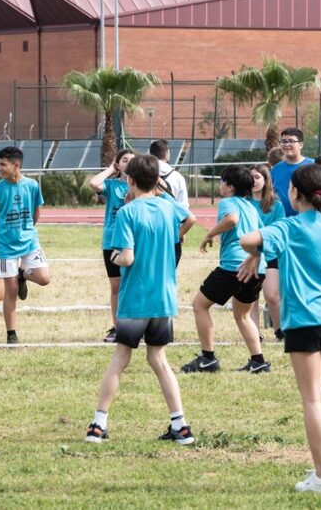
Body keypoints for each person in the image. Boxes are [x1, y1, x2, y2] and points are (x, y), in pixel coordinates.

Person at [239, 163, 321, 494]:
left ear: (294, 193)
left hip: (303, 321)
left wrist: (255, 254)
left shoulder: (289, 227)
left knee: (313, 398)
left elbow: (246, 239)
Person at [85, 154, 198, 445]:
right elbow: (191, 218)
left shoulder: (128, 212)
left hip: (136, 297)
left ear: (130, 180)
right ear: (157, 180)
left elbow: (127, 256)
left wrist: (115, 256)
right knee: (159, 360)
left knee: (120, 359)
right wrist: (176, 236)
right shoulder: (168, 206)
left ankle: (98, 424)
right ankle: (181, 425)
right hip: (163, 299)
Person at [183, 165, 269, 373]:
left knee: (200, 305)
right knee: (242, 315)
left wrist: (209, 234)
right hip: (257, 267)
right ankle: (258, 362)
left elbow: (231, 219)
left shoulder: (228, 202)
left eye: (222, 181)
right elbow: (261, 233)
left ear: (230, 186)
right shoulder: (250, 206)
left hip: (234, 266)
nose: (220, 185)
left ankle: (208, 358)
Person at [0, 147, 52, 344]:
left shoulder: (32, 185)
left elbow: (36, 213)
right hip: (6, 247)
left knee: (44, 278)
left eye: (3, 164)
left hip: (29, 242)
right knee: (11, 291)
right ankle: (11, 334)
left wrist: (26, 231)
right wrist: (6, 234)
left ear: (17, 165)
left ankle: (22, 274)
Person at [89, 149, 136, 343]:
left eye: (132, 160)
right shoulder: (112, 185)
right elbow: (93, 183)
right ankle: (117, 327)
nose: (128, 163)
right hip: (112, 241)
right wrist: (111, 168)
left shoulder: (142, 187)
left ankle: (134, 325)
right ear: (118, 165)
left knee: (132, 285)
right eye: (124, 160)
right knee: (116, 287)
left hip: (135, 241)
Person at [247, 163, 286, 338]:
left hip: (270, 255)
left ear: (265, 180)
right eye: (251, 177)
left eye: (257, 177)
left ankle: (279, 330)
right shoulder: (244, 202)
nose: (254, 181)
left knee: (272, 296)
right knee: (251, 299)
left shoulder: (276, 204)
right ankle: (255, 334)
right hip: (249, 255)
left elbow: (280, 231)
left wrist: (263, 241)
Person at [270, 128, 314, 218]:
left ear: (301, 145)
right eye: (283, 141)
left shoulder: (313, 166)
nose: (287, 144)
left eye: (291, 141)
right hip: (282, 220)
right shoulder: (276, 169)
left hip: (308, 219)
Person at [149, 139, 188, 205]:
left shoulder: (142, 174)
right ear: (166, 155)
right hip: (171, 213)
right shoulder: (177, 177)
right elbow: (184, 205)